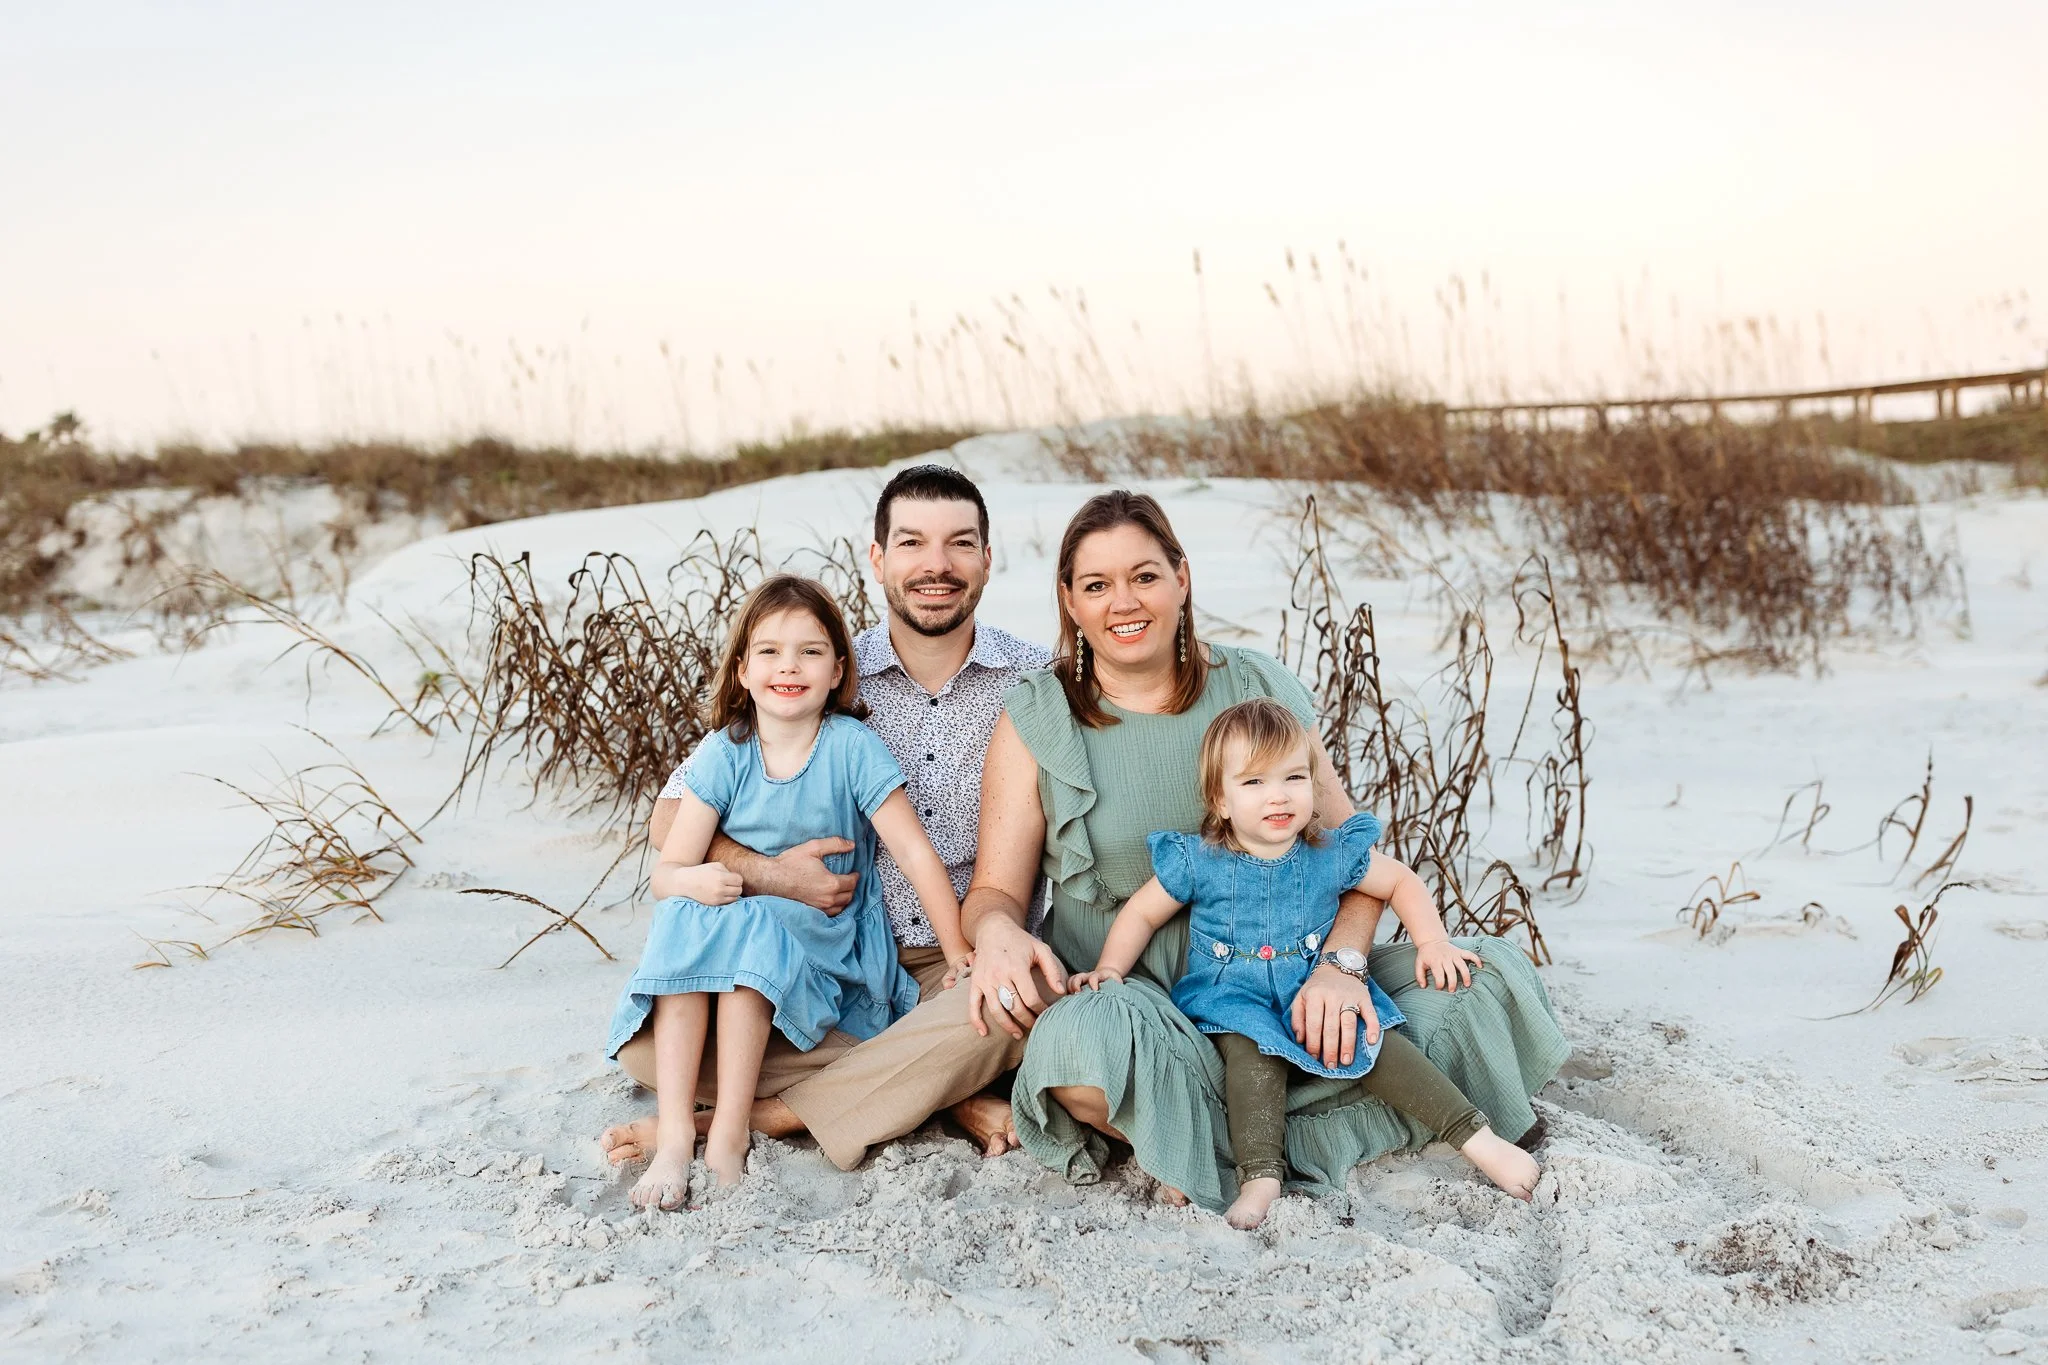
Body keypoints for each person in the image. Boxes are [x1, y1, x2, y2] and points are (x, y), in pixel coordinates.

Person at [960, 489, 1571, 1215]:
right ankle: (1255, 1114)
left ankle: (1236, 1122)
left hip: (1296, 973)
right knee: (1086, 1059)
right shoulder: (1039, 712)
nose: (1124, 601)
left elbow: (1348, 856)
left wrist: (1342, 968)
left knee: (1484, 977)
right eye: (1097, 584)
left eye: (1145, 575)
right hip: (1143, 995)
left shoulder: (1257, 688)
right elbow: (995, 891)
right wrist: (996, 930)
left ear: (1181, 577)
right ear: (1070, 599)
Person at [601, 465, 1053, 1176]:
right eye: (911, 543)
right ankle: (943, 1093)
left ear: (987, 560)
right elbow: (669, 820)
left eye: (959, 543)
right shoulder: (815, 667)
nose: (935, 564)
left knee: (1014, 1004)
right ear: (878, 559)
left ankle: (758, 1115)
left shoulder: (1036, 681)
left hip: (956, 953)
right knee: (648, 1042)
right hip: (821, 955)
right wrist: (775, 873)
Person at [1068, 698, 1540, 1228]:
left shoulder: (1328, 853)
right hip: (1233, 998)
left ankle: (1476, 1139)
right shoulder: (1200, 858)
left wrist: (1431, 941)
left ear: (1313, 787)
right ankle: (1262, 1176)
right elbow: (1142, 914)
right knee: (1252, 1061)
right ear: (1220, 800)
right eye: (1253, 783)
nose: (1278, 795)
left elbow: (1399, 880)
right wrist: (1110, 967)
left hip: (1311, 990)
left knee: (1376, 1043)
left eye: (1293, 777)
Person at [606, 573, 964, 1207]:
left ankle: (728, 1135)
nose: (788, 667)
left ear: (837, 671)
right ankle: (674, 1136)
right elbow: (667, 874)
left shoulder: (852, 747)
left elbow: (913, 851)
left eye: (810, 651)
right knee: (689, 915)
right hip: (740, 935)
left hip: (827, 945)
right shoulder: (725, 753)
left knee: (745, 926)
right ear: (742, 670)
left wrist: (958, 950)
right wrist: (705, 879)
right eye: (769, 652)